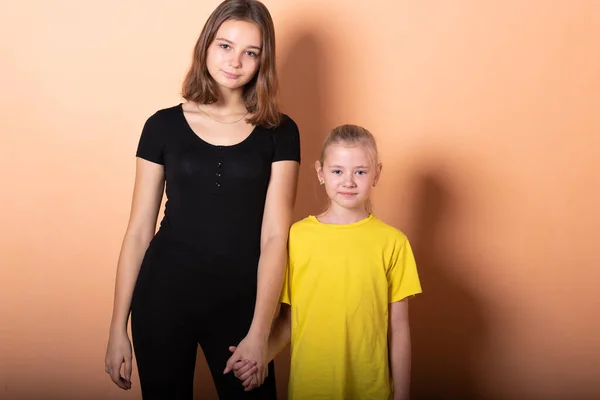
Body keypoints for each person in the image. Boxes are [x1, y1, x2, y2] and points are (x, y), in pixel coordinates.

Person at [104, 0, 300, 398]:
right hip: (162, 298)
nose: (235, 61)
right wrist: (116, 330)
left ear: (263, 61)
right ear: (206, 46)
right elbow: (139, 231)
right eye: (225, 46)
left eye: (251, 52)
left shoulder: (281, 132)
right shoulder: (161, 126)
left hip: (242, 306)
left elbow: (275, 237)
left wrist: (261, 333)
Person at [230, 125, 422, 399]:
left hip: (371, 390)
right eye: (337, 171)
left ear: (377, 173)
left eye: (360, 171)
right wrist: (256, 358)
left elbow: (399, 328)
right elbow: (289, 320)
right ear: (320, 172)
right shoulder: (296, 237)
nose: (348, 181)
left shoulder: (394, 242)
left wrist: (402, 396)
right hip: (311, 387)